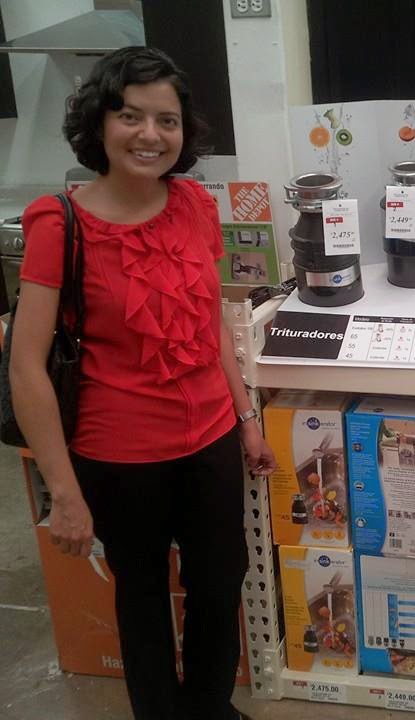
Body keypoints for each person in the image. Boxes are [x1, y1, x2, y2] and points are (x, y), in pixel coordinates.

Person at [9, 47, 276, 720]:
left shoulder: (194, 205)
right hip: (119, 454)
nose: (150, 135)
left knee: (221, 582)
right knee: (144, 594)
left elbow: (209, 321)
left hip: (210, 437)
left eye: (167, 120)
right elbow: (26, 366)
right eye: (130, 116)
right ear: (99, 122)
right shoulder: (59, 223)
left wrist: (245, 419)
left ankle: (208, 709)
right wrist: (64, 492)